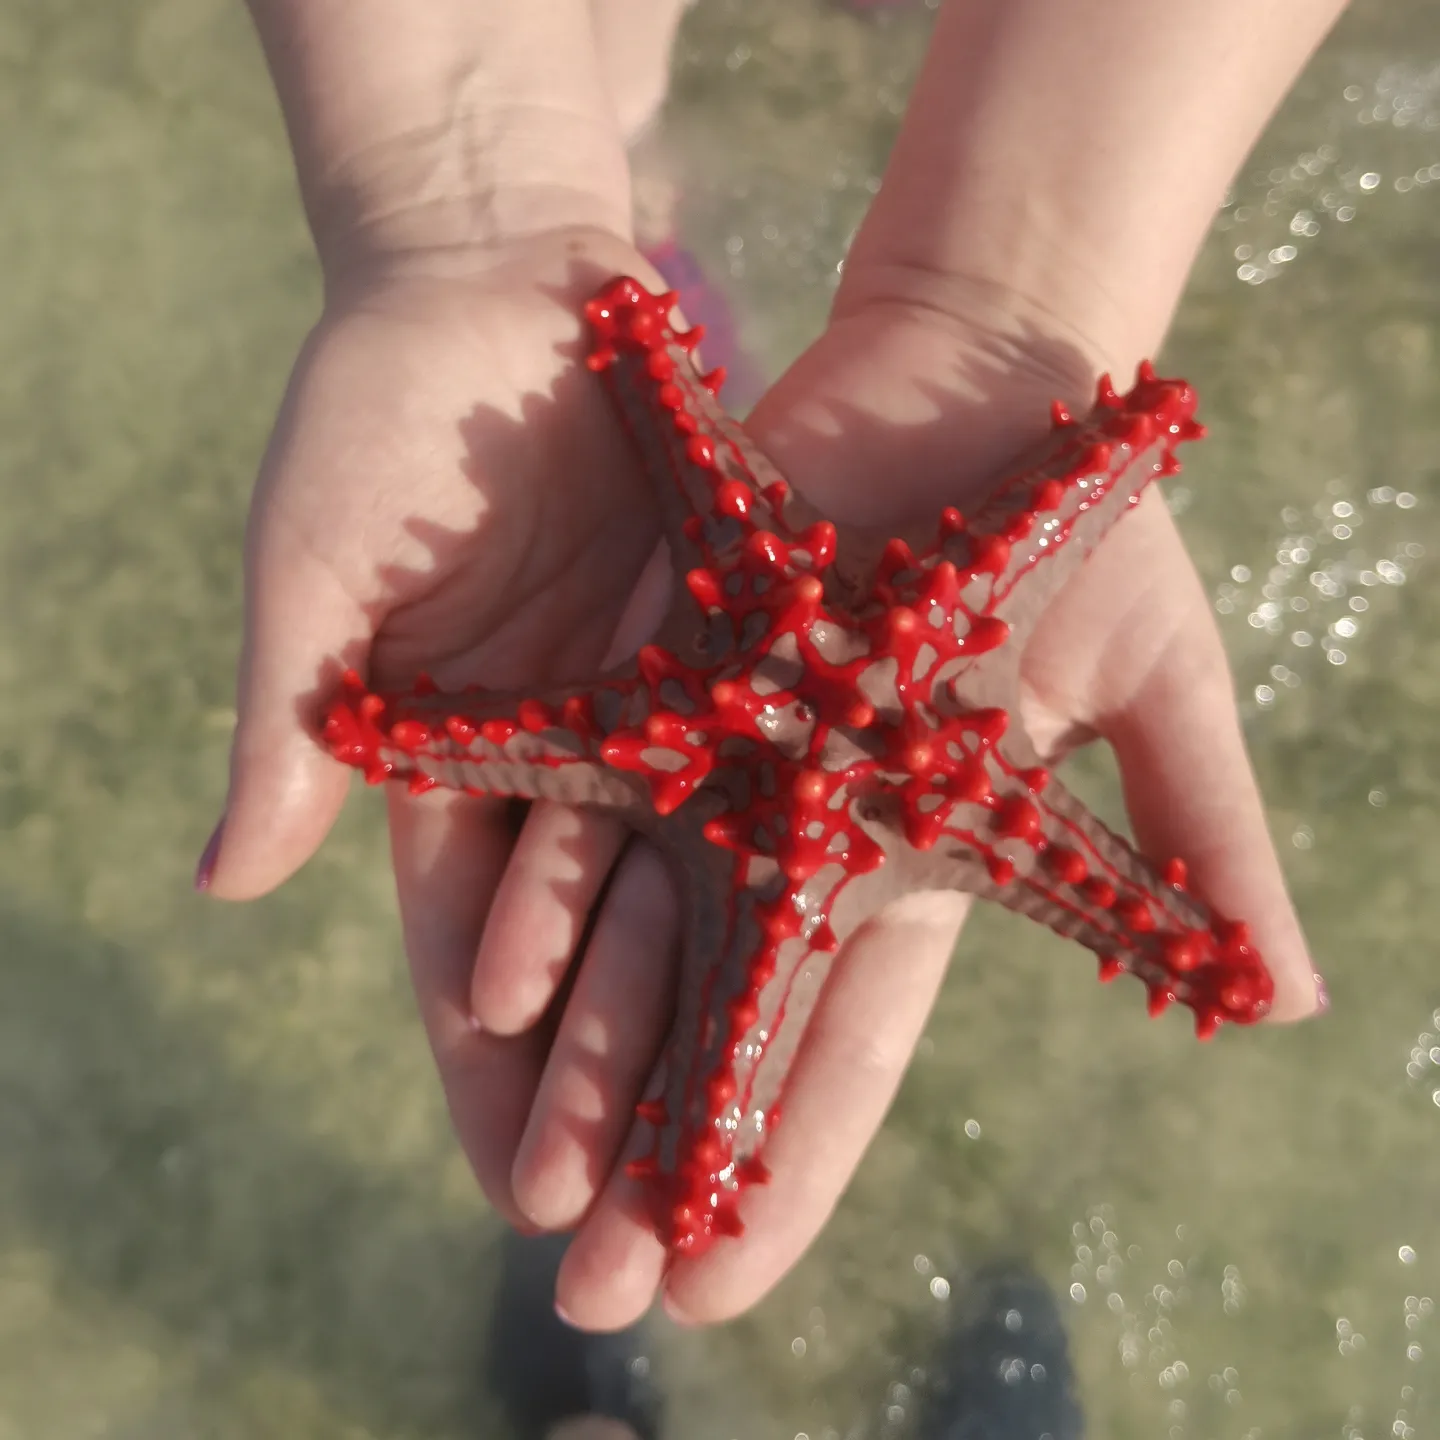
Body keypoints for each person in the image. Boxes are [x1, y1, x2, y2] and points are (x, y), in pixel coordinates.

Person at [199, 0, 1344, 1336]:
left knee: (606, 133)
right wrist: (1023, 312)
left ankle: (599, 148)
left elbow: (639, 745)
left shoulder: (745, 696)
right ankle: (607, 138)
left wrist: (468, 218)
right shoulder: (921, 774)